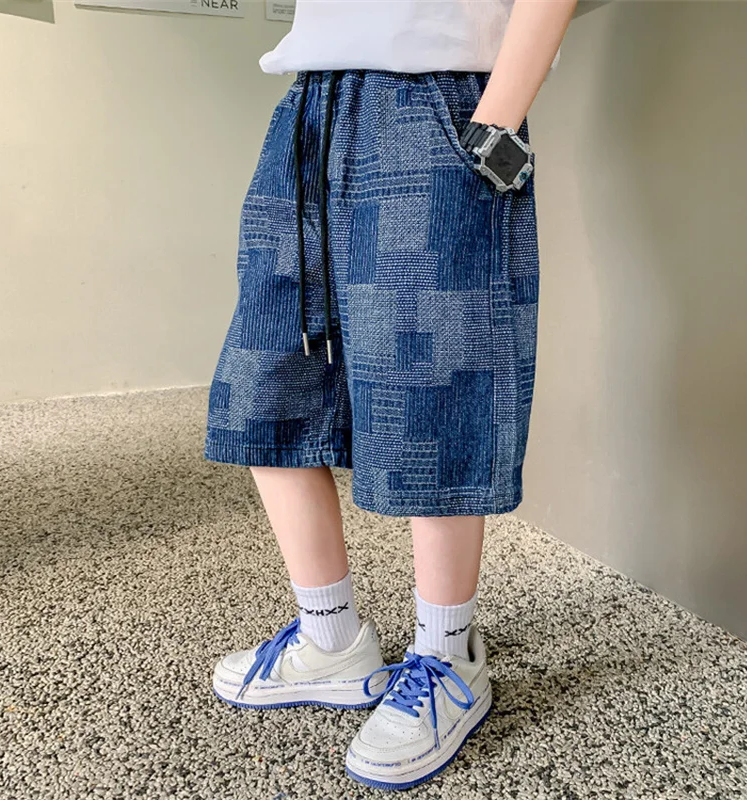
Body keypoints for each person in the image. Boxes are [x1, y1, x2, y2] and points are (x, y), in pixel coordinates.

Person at [205, 0, 577, 790]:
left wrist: (495, 122)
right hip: (310, 105)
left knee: (433, 385)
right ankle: (331, 639)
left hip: (436, 101)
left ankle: (449, 656)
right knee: (266, 380)